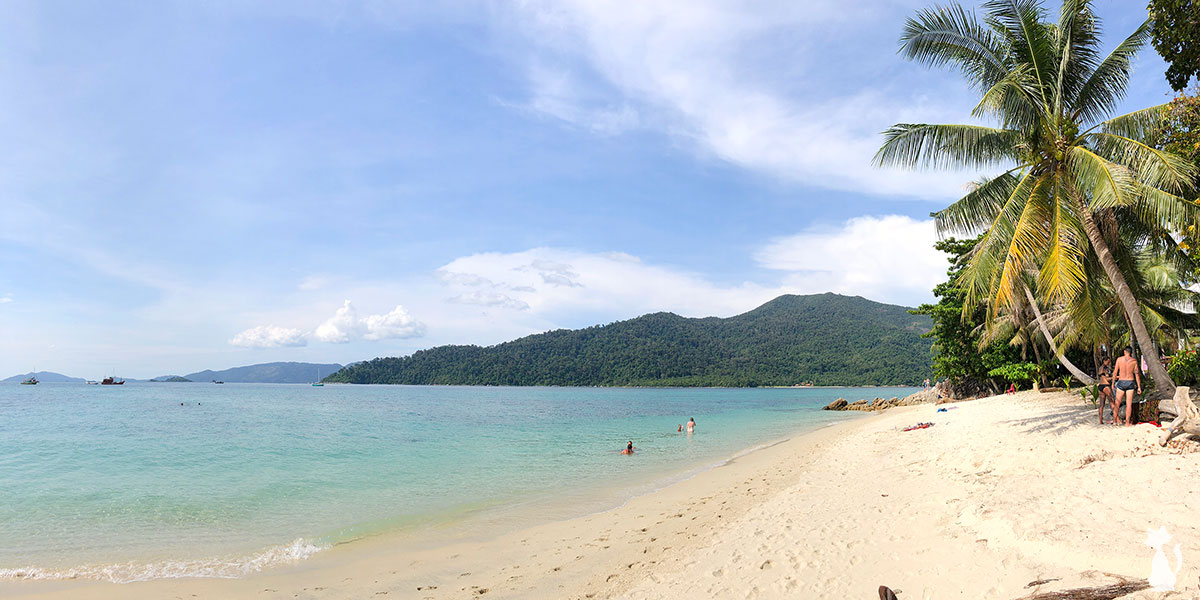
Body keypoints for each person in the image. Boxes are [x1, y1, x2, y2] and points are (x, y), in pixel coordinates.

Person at [1113, 346, 1142, 426]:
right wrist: (1139, 387)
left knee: (1117, 403)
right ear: (1131, 353)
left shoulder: (1119, 359)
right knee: (1129, 404)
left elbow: (1115, 372)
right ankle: (1127, 423)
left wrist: (1112, 384)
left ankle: (1115, 421)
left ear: (1125, 351)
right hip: (1130, 382)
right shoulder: (1134, 361)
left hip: (1121, 381)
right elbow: (1137, 374)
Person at [1097, 357, 1114, 425]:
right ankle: (1117, 419)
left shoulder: (1101, 368)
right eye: (1108, 362)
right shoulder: (1104, 368)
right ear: (1104, 361)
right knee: (1112, 401)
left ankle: (1100, 420)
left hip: (1101, 386)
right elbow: (1106, 379)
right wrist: (1116, 377)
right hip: (1105, 386)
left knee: (1102, 405)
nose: (1109, 363)